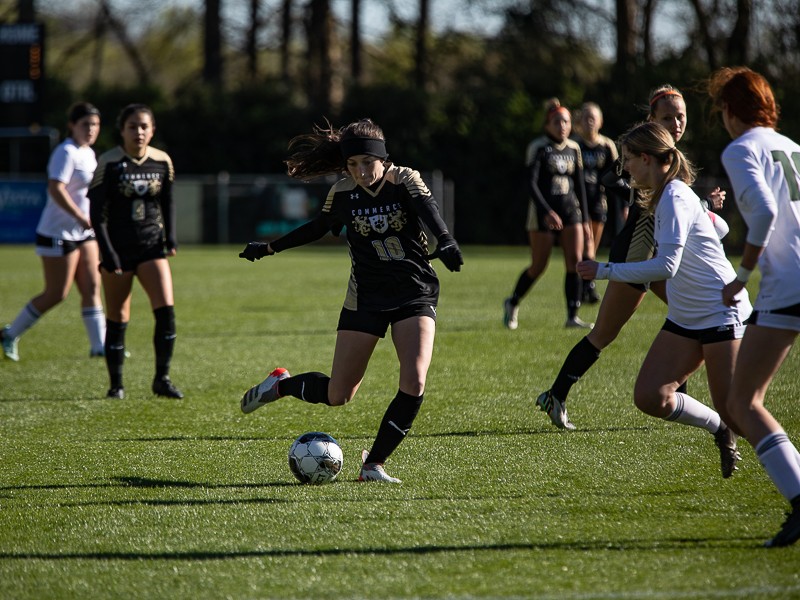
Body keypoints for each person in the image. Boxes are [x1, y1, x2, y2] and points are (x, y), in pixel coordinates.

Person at [238, 118, 463, 483]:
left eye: (367, 163)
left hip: (414, 293)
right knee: (338, 394)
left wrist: (446, 240)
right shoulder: (342, 193)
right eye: (352, 165)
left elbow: (428, 210)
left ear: (383, 159)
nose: (360, 172)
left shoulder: (404, 178)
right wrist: (268, 248)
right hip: (366, 298)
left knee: (414, 380)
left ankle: (373, 465)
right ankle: (280, 385)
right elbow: (317, 227)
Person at [536, 84, 727, 431]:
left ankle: (676, 399)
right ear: (652, 119)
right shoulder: (645, 155)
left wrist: (707, 208)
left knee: (688, 318)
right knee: (605, 333)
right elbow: (612, 179)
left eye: (681, 116)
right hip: (638, 257)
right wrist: (628, 183)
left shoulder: (671, 158)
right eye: (667, 117)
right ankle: (555, 395)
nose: (676, 122)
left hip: (659, 260)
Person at [576, 121, 751, 479]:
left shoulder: (673, 195)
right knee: (650, 396)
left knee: (742, 413)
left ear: (647, 158)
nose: (624, 168)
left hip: (720, 312)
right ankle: (720, 428)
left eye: (628, 159)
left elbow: (666, 266)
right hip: (688, 316)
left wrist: (605, 270)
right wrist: (706, 220)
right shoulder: (670, 194)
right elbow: (721, 229)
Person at [708, 67, 800, 547]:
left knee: (742, 403)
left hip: (790, 283)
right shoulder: (792, 147)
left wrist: (741, 276)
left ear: (729, 109)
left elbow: (763, 213)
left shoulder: (742, 148)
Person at [87, 104, 183, 400]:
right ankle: (116, 385)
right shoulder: (110, 163)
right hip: (118, 250)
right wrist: (108, 253)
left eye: (144, 126)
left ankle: (161, 379)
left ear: (152, 130)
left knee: (166, 311)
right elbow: (96, 213)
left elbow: (167, 201)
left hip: (151, 246)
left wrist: (171, 238)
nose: (138, 132)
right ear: (122, 130)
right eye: (132, 126)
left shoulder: (161, 161)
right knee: (117, 317)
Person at [1, 102, 105, 362]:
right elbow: (56, 189)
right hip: (58, 232)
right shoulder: (65, 152)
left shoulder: (89, 153)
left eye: (95, 125)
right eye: (85, 124)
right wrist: (81, 217)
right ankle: (10, 333)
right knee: (57, 293)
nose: (91, 129)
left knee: (93, 286)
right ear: (72, 125)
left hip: (84, 232)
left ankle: (100, 347)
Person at [503, 98, 592, 330]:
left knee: (574, 262)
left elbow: (579, 185)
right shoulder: (539, 147)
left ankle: (572, 316)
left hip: (571, 211)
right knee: (538, 265)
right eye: (557, 122)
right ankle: (512, 302)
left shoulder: (574, 148)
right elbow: (531, 184)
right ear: (547, 125)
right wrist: (547, 211)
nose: (562, 126)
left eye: (566, 122)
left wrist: (584, 220)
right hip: (543, 214)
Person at [575, 102, 618, 304]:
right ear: (580, 122)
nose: (589, 120)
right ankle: (588, 285)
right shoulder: (575, 145)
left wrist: (624, 206)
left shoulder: (607, 145)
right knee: (587, 243)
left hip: (598, 200)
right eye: (585, 117)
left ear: (600, 121)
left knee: (592, 243)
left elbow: (618, 177)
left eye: (593, 117)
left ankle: (586, 284)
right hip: (578, 201)